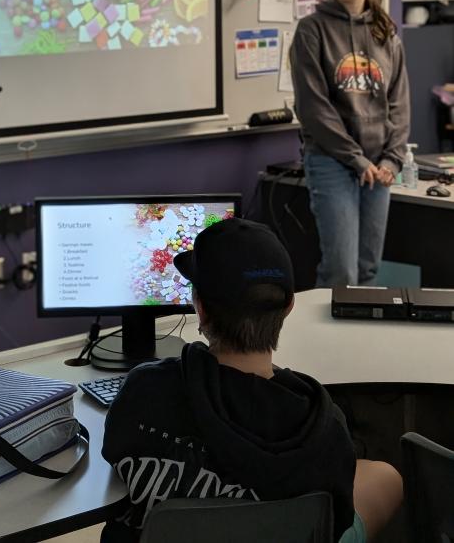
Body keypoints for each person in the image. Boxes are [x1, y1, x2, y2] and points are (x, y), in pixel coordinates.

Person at [101, 218, 403, 543]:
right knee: (386, 478)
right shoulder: (323, 426)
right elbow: (338, 521)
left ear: (201, 309)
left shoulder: (143, 391)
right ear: (288, 307)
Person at [290, 0, 410, 287]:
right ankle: (328, 343)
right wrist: (356, 160)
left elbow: (399, 103)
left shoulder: (385, 32)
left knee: (368, 268)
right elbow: (314, 109)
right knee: (340, 270)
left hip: (379, 164)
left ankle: (360, 342)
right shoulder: (312, 29)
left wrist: (392, 160)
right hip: (332, 160)